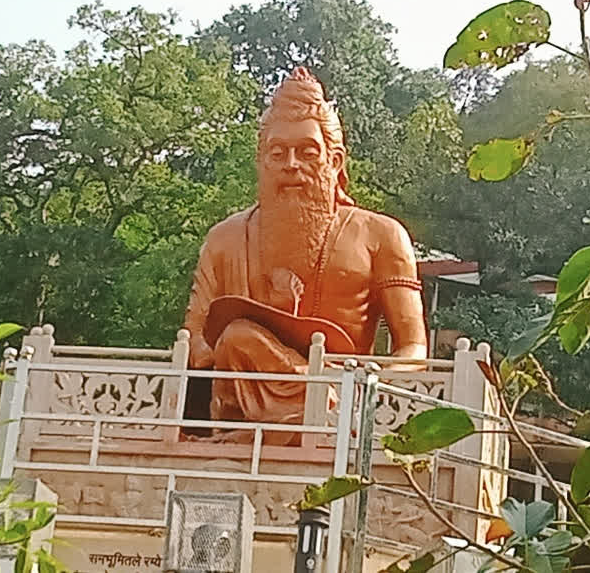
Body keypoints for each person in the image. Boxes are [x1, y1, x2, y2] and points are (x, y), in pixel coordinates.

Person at [182, 67, 427, 442]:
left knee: (258, 349)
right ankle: (275, 422)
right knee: (237, 336)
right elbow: (193, 343)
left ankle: (316, 409)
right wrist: (258, 339)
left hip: (341, 391)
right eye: (278, 153)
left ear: (335, 161)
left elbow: (414, 349)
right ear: (262, 161)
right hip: (241, 392)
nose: (291, 164)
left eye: (307, 152)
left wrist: (364, 377)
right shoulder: (224, 239)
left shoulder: (382, 235)